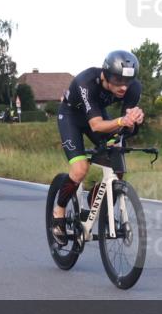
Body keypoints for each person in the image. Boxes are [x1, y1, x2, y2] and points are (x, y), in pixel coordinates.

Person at [51, 50, 145, 245]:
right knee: (80, 169)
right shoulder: (86, 81)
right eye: (118, 80)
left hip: (98, 115)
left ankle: (92, 203)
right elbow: (96, 125)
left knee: (117, 166)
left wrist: (135, 122)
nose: (123, 87)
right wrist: (122, 120)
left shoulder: (133, 88)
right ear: (106, 74)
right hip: (72, 118)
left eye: (127, 81)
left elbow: (126, 128)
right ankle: (58, 211)